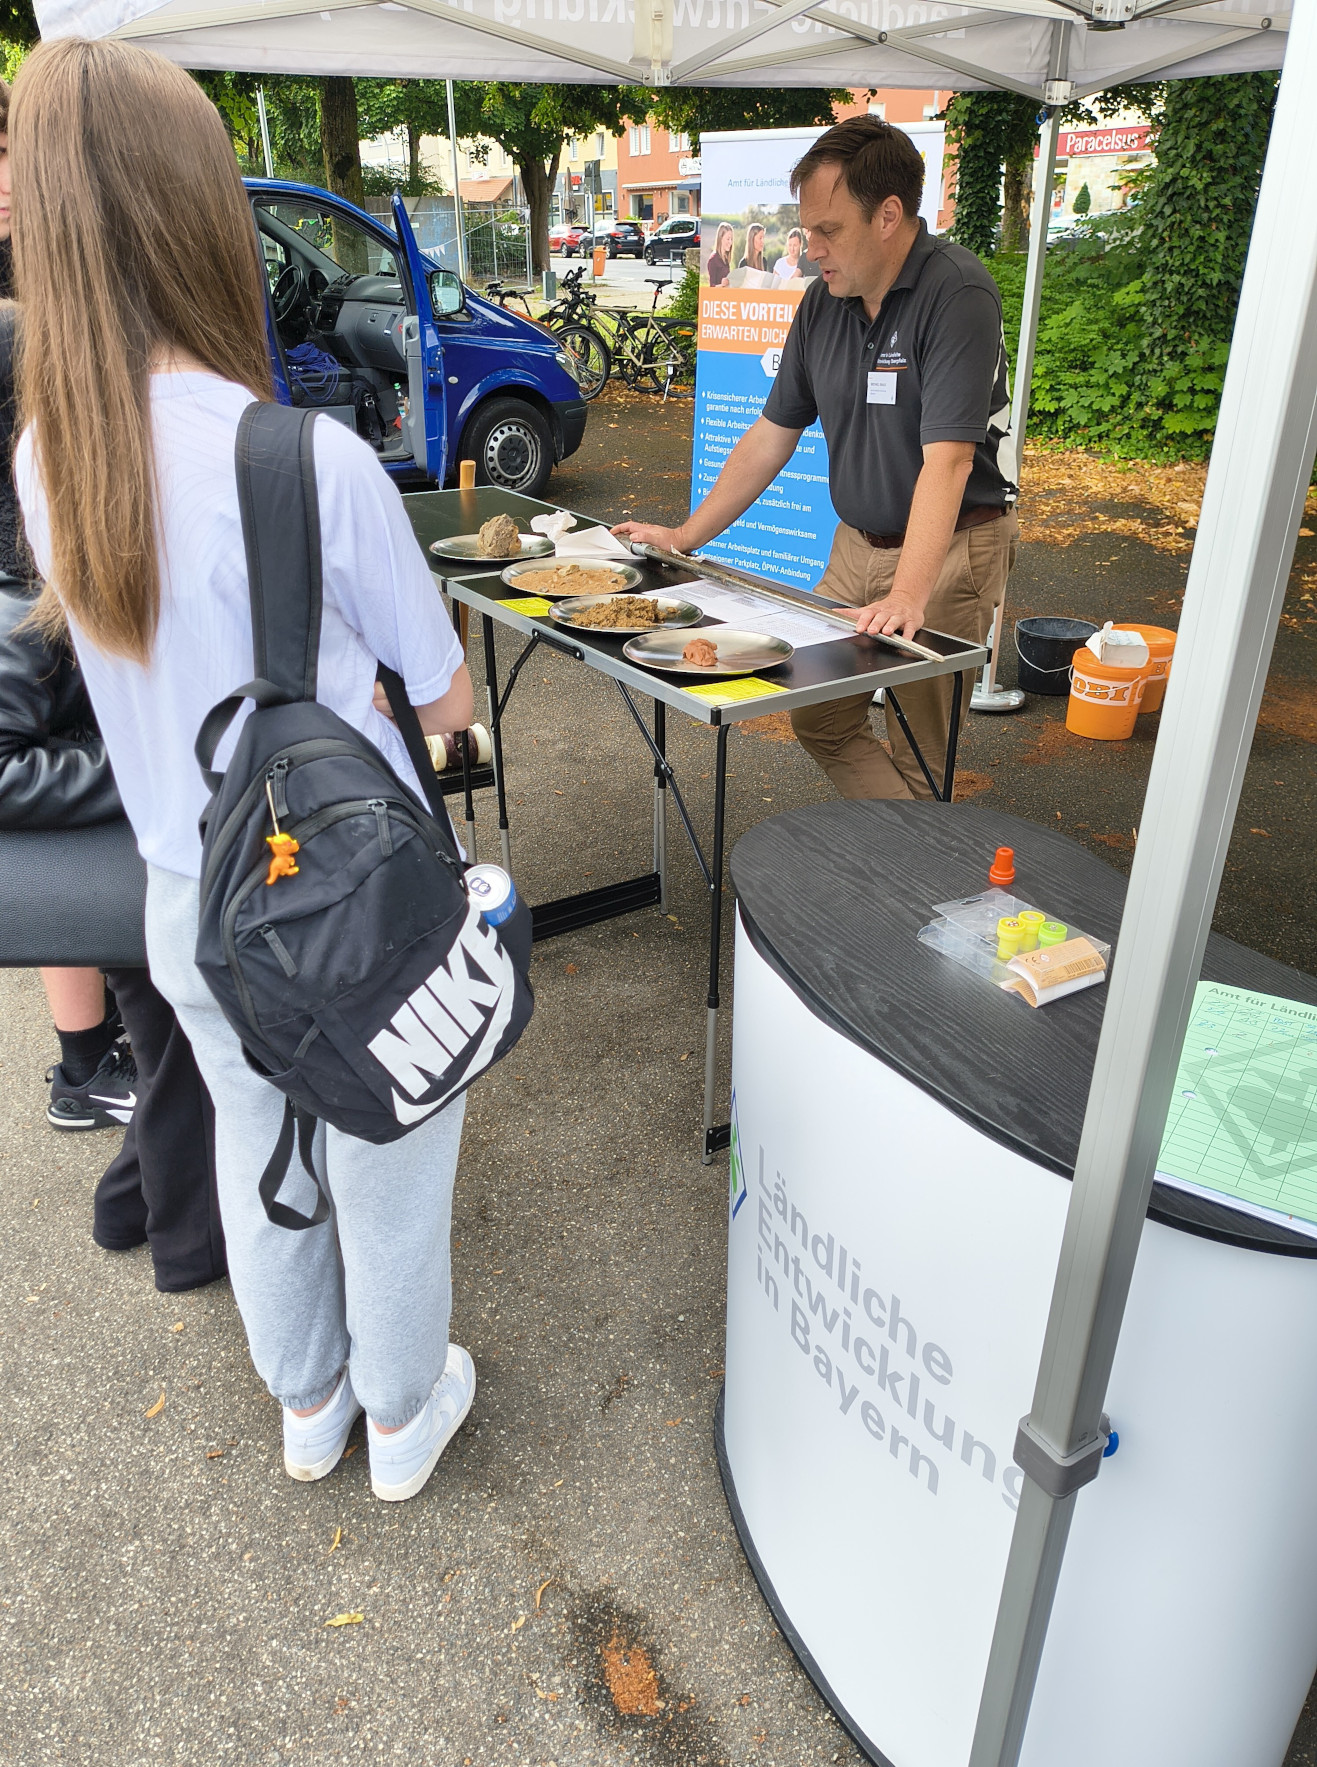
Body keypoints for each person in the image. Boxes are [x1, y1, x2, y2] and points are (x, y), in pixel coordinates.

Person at [13, 37, 478, 1500]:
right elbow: (450, 702)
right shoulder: (307, 460)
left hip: (188, 898)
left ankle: (308, 1402)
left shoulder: (49, 460)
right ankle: (402, 1412)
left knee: (259, 1142)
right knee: (386, 1152)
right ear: (198, 216)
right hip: (345, 895)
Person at [617, 117, 1018, 801]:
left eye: (828, 230)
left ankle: (912, 857)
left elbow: (948, 461)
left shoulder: (957, 294)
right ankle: (903, 840)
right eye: (806, 230)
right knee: (820, 715)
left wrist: (908, 594)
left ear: (887, 215)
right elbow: (771, 433)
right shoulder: (822, 302)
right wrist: (685, 536)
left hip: (950, 549)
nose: (811, 249)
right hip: (854, 546)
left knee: (922, 751)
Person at [0, 77, 137, 1134]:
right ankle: (86, 1064)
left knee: (61, 801)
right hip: (27, 593)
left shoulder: (40, 282)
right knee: (55, 787)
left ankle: (91, 1054)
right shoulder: (17, 321)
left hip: (53, 581)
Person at [707, 221, 734, 288]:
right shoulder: (713, 259)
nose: (730, 242)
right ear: (720, 238)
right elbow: (711, 287)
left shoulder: (725, 259)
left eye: (731, 239)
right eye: (728, 239)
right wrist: (722, 285)